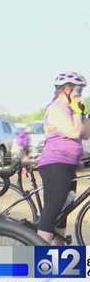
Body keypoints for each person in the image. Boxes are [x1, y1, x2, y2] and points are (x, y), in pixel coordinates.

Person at [37, 71, 90, 245]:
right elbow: (74, 132)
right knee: (53, 210)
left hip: (68, 164)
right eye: (78, 92)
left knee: (63, 212)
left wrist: (85, 115)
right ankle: (38, 253)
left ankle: (57, 256)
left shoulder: (70, 109)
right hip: (55, 164)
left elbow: (85, 134)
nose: (80, 96)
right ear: (66, 90)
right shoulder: (56, 108)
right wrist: (76, 112)